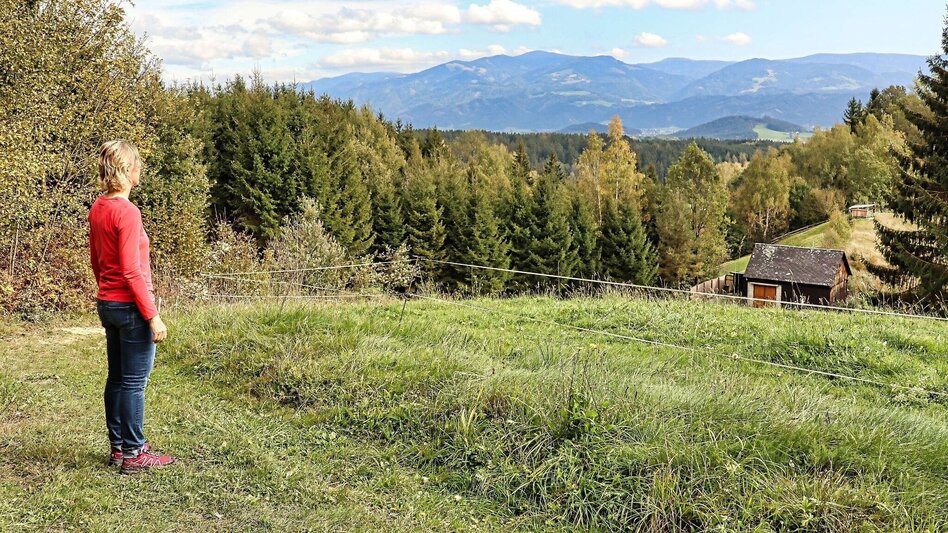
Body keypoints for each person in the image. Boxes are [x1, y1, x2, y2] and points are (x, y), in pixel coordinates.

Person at [89, 140, 176, 474]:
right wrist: (152, 316)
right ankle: (134, 453)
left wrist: (106, 290)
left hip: (108, 303)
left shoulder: (99, 208)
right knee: (134, 384)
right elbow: (131, 270)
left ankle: (118, 447)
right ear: (126, 170)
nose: (141, 169)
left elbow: (97, 261)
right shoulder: (127, 211)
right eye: (137, 164)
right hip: (129, 307)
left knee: (117, 379)